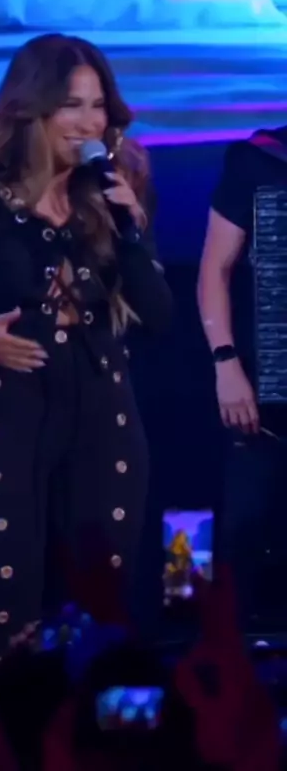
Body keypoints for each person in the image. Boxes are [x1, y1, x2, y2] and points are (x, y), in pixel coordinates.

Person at [0, 33, 172, 657]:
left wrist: (132, 233)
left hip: (104, 421)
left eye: (98, 105)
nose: (90, 122)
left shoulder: (116, 191)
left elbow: (160, 319)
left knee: (98, 629)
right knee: (3, 625)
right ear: (33, 109)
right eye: (71, 105)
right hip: (2, 421)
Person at [197, 125, 287, 627]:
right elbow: (215, 268)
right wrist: (225, 363)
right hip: (267, 396)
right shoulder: (261, 159)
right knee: (248, 535)